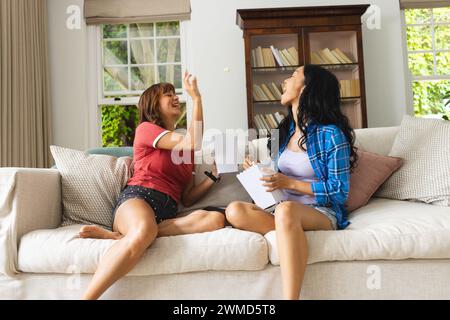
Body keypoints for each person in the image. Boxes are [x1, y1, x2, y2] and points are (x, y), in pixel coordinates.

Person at [78, 72, 225, 300]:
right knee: (144, 230)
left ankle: (118, 236)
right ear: (153, 105)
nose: (175, 97)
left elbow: (187, 198)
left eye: (175, 94)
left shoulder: (185, 152)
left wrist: (212, 178)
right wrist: (196, 98)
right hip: (138, 198)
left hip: (167, 213)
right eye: (167, 94)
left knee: (215, 220)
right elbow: (194, 141)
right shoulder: (146, 129)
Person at [225, 64, 358, 300]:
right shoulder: (285, 133)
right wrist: (259, 172)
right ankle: (291, 231)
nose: (284, 81)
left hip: (320, 211)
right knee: (235, 210)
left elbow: (339, 192)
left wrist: (289, 184)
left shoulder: (331, 134)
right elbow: (280, 179)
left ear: (307, 89)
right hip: (282, 210)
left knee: (286, 210)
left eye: (294, 75)